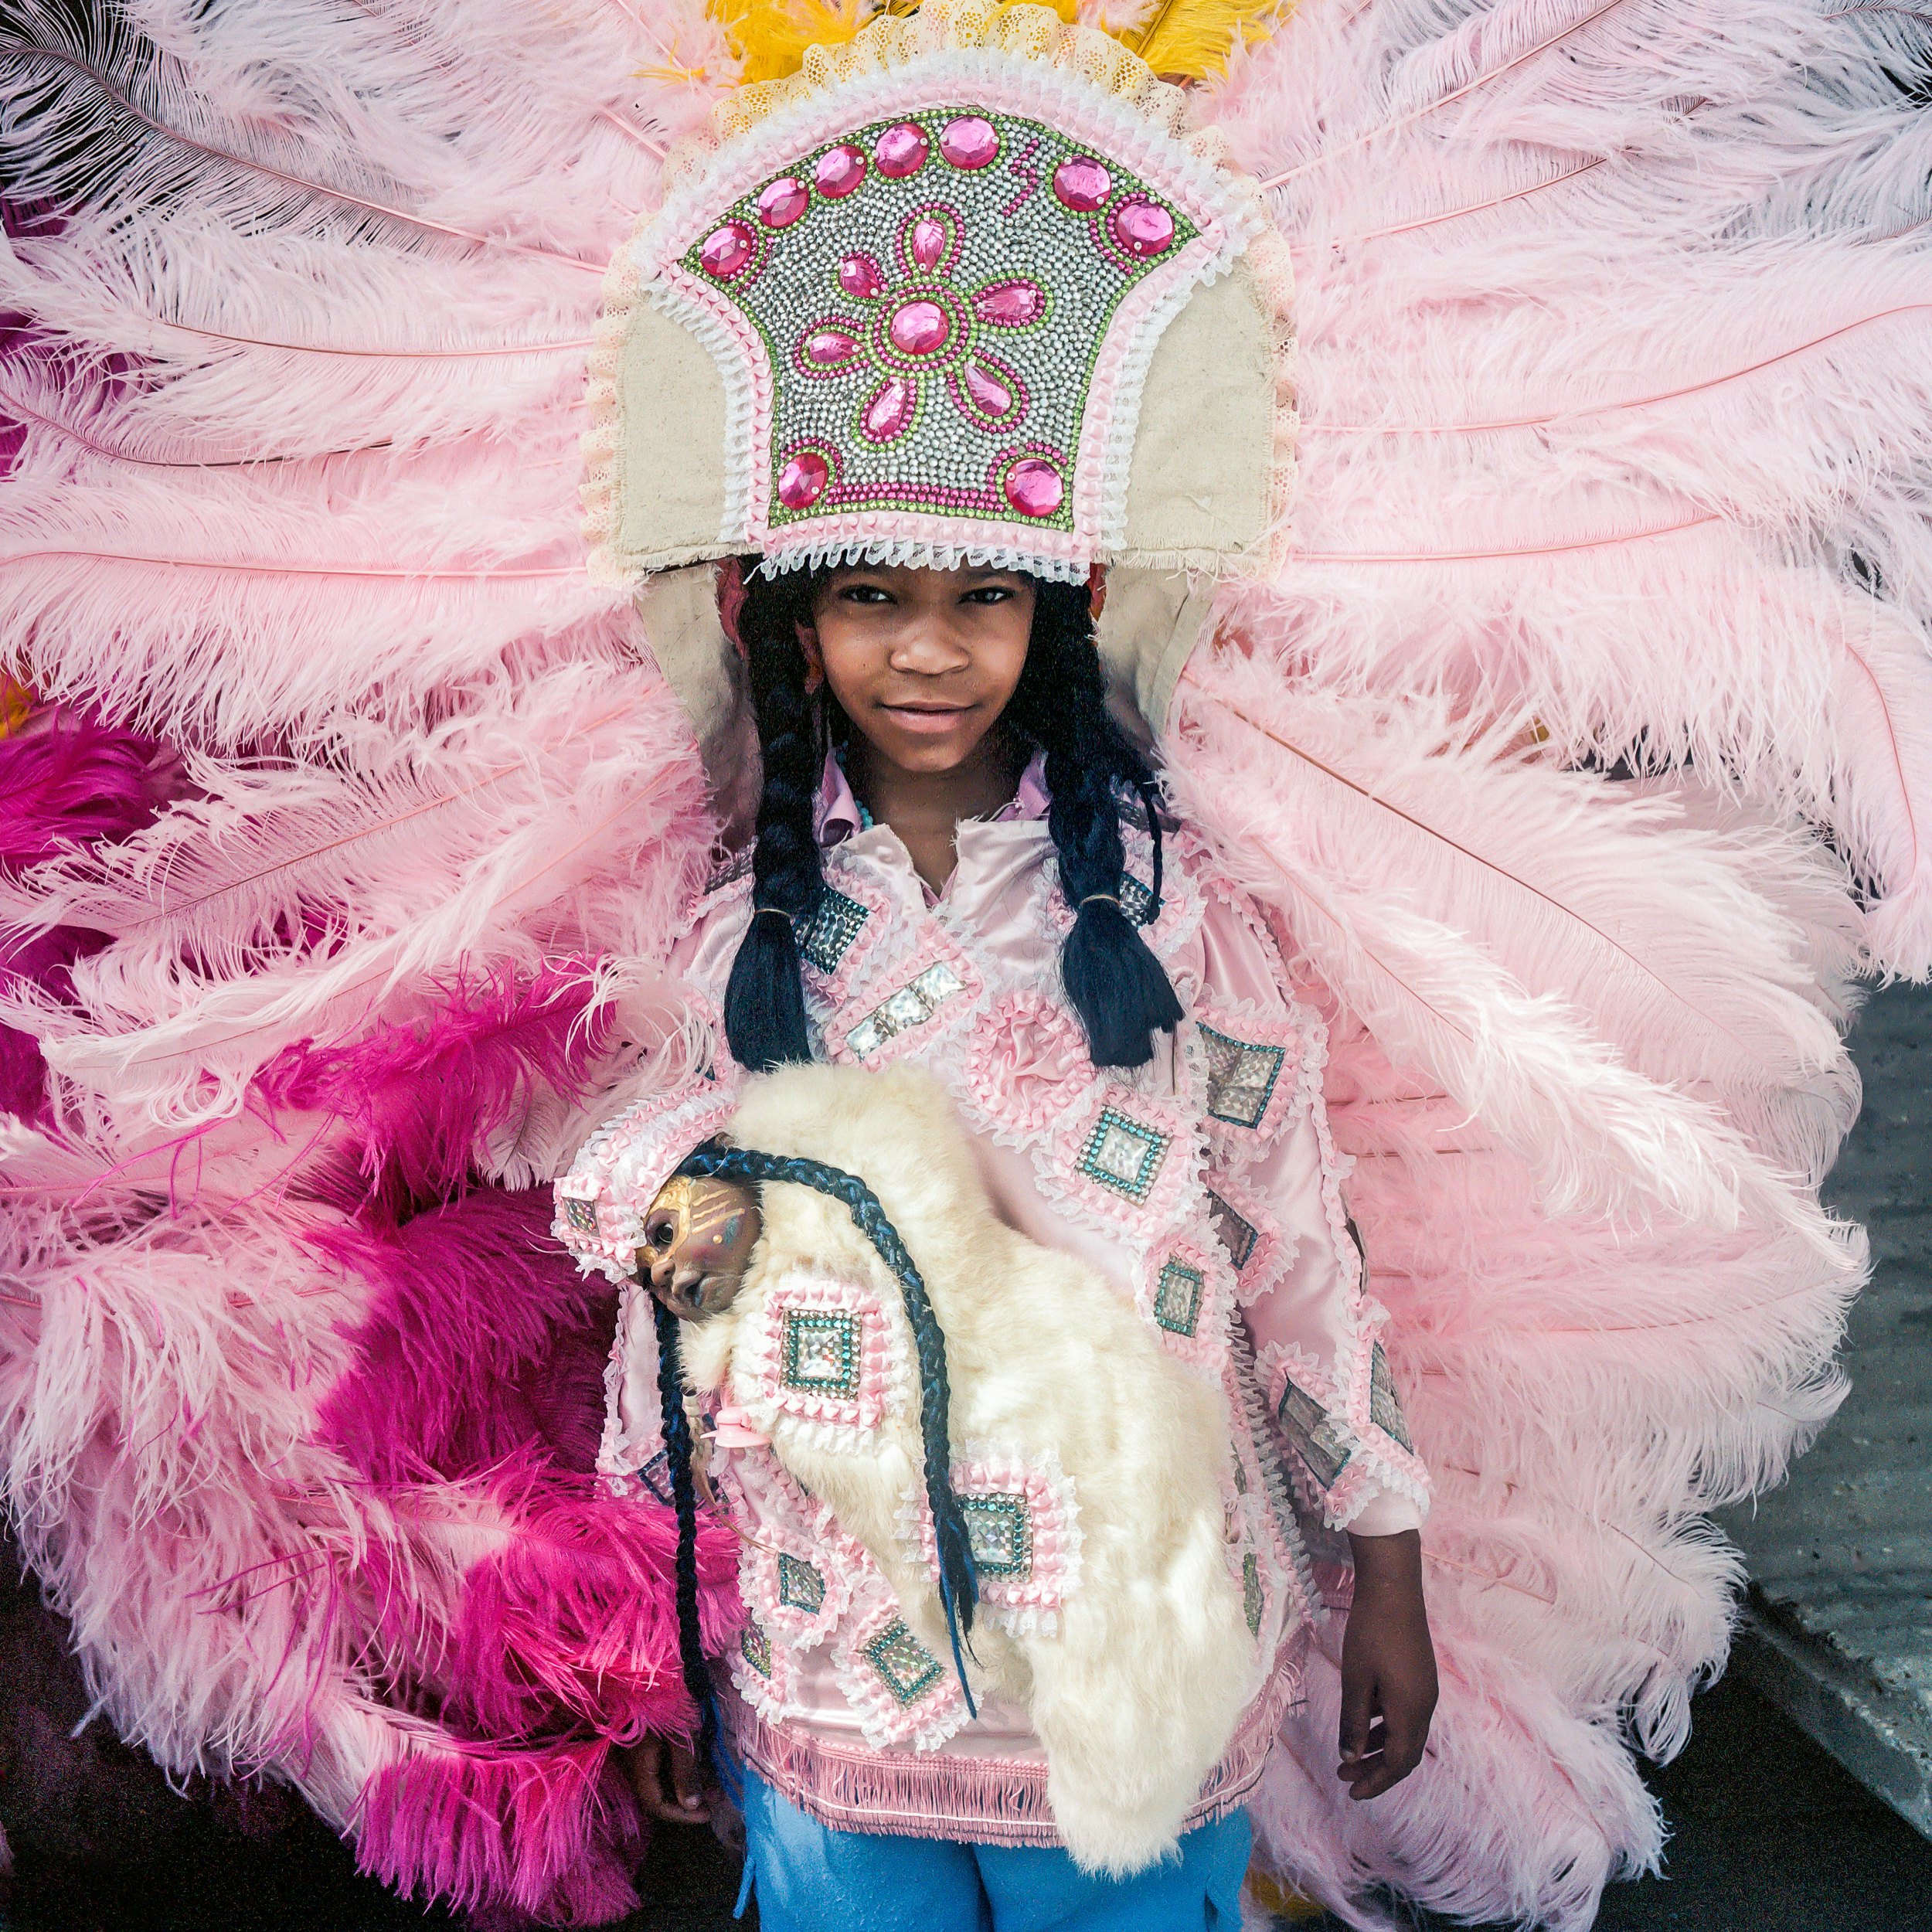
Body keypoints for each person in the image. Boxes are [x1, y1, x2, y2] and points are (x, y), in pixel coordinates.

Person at [554, 557, 1437, 1927]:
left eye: (983, 598)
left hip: (1127, 1622)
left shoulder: (1170, 907)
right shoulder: (742, 932)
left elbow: (1299, 1245)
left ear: (1055, 619)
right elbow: (664, 1313)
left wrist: (1388, 1562)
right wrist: (651, 1633)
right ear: (796, 626)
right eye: (868, 599)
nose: (929, 652)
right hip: (833, 1638)